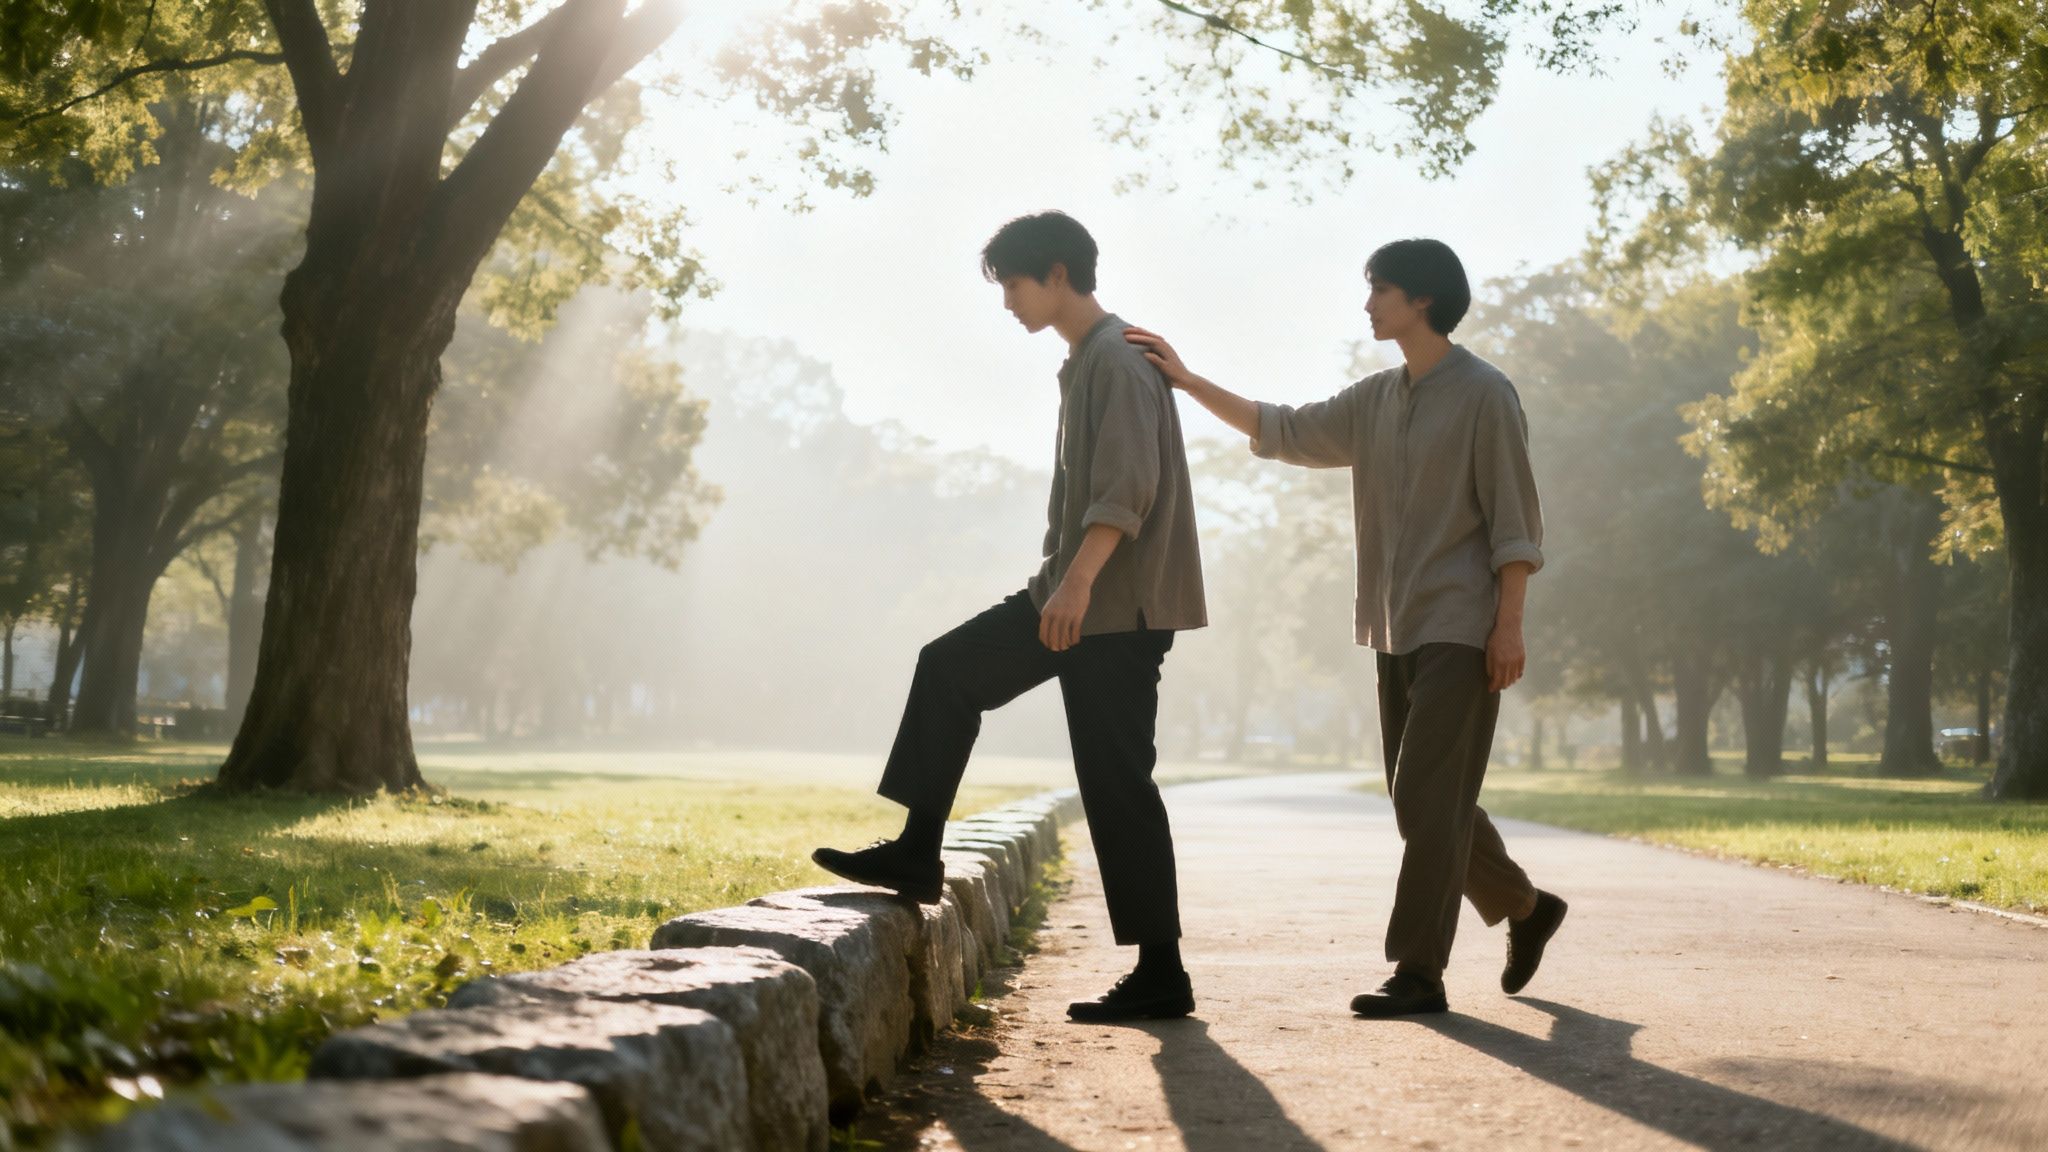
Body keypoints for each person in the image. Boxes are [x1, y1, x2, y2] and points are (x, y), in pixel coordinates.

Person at [1124, 238, 1568, 1018]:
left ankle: (1419, 973)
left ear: (1420, 299)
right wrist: (1188, 381)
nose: (1368, 305)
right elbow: (1284, 429)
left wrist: (1510, 627)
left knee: (1429, 798)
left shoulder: (1487, 394)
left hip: (1465, 627)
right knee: (1418, 799)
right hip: (1394, 627)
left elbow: (1515, 525)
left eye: (1380, 291)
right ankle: (1527, 908)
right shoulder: (1377, 397)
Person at [813, 211, 1208, 1022]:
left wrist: (1077, 585)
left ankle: (1161, 972)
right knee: (950, 667)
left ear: (1057, 274)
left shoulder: (1120, 360)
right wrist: (1061, 587)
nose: (1008, 304)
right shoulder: (1087, 359)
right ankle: (918, 854)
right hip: (1070, 597)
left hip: (1111, 610)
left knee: (1116, 783)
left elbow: (1126, 490)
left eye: (1015, 286)